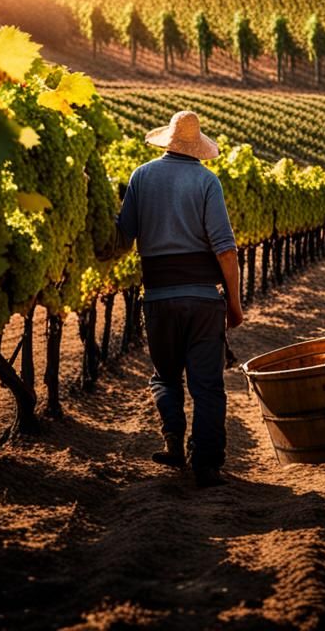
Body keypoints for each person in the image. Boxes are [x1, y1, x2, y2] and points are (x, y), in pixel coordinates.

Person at [115, 110, 244, 488]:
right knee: (207, 385)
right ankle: (206, 463)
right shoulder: (207, 181)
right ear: (198, 147)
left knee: (165, 377)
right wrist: (233, 304)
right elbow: (225, 249)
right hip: (204, 300)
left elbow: (122, 238)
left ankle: (172, 440)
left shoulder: (141, 176)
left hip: (157, 296)